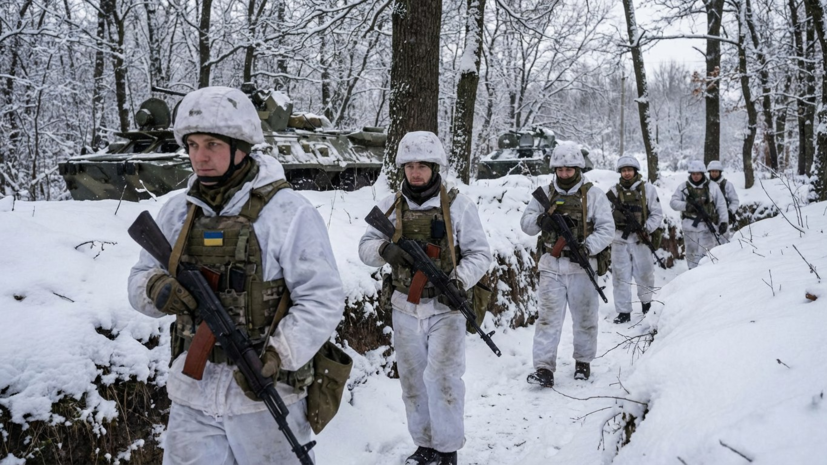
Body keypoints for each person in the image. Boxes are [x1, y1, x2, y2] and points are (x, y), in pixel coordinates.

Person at [128, 86, 344, 465]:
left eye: (212, 143)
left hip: (263, 395)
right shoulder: (177, 213)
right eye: (193, 145)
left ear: (241, 147)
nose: (201, 157)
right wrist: (155, 288)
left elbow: (322, 298)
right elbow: (141, 275)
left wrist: (279, 355)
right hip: (192, 392)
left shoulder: (287, 212)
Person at [359, 131, 492, 465]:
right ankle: (424, 444)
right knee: (413, 381)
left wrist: (459, 280)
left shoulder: (458, 205)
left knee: (444, 379)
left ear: (435, 167)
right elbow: (365, 245)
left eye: (422, 166)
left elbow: (479, 253)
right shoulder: (390, 204)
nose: (415, 172)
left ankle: (447, 450)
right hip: (405, 306)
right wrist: (384, 249)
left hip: (445, 309)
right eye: (410, 166)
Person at [520, 141, 613, 387]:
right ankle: (543, 368)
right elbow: (526, 224)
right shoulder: (545, 193)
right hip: (551, 264)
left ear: (578, 169)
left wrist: (587, 247)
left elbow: (606, 229)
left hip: (582, 267)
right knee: (547, 319)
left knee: (585, 317)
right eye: (559, 170)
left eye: (568, 170)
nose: (563, 174)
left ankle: (583, 361)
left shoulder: (593, 195)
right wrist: (542, 220)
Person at [607, 156, 664, 324]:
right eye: (623, 170)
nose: (626, 173)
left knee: (645, 274)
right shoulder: (613, 192)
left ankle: (647, 305)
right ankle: (623, 312)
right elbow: (604, 216)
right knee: (620, 277)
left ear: (635, 171)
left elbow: (656, 213)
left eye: (629, 170)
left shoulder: (648, 190)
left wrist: (646, 229)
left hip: (641, 240)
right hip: (619, 240)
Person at [670, 160, 728, 270]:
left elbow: (721, 205)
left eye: (698, 174)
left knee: (706, 257)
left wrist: (724, 222)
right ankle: (692, 279)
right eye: (693, 174)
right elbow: (673, 203)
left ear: (702, 174)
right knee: (691, 257)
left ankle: (705, 280)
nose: (695, 176)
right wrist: (686, 206)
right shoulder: (683, 187)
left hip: (707, 227)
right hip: (689, 227)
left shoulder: (712, 186)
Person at [707, 160, 740, 240]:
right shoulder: (706, 185)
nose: (714, 174)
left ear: (720, 172)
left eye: (716, 171)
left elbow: (735, 201)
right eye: (712, 171)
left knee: (723, 243)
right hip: (709, 219)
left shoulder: (727, 185)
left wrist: (730, 211)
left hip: (723, 219)